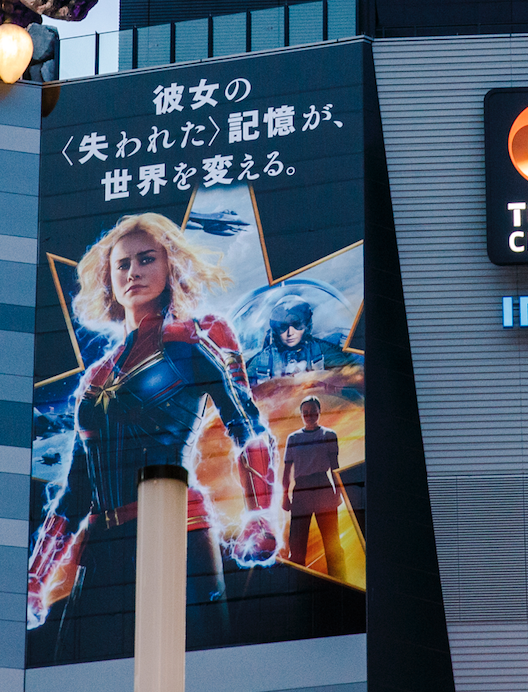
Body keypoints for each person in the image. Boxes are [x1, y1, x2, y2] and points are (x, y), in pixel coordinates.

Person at [26, 213, 279, 662]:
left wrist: (261, 516)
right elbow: (75, 492)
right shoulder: (96, 377)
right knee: (88, 685)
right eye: (122, 264)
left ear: (170, 268)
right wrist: (36, 578)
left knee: (198, 679)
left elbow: (248, 427)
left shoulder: (195, 340)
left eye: (147, 259)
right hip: (103, 548)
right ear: (108, 279)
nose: (134, 272)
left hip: (176, 532)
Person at [281, 397, 346, 579]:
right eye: (306, 412)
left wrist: (338, 492)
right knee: (297, 544)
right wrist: (284, 496)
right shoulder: (293, 438)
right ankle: (297, 583)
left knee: (332, 541)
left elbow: (335, 467)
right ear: (302, 414)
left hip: (323, 488)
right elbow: (287, 471)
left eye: (313, 411)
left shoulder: (329, 435)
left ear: (319, 411)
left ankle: (340, 582)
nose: (309, 415)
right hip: (301, 490)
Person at [248, 295, 351, 381]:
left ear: (307, 326)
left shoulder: (321, 350)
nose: (290, 333)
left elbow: (352, 374)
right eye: (283, 327)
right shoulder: (263, 360)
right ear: (276, 330)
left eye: (297, 325)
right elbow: (240, 387)